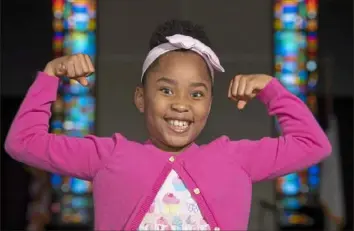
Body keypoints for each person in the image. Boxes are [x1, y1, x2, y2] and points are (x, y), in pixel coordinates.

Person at [5, 19, 331, 231]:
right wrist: (50, 76)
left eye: (197, 93)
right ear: (140, 98)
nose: (181, 103)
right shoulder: (108, 156)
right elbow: (22, 142)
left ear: (210, 103)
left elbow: (313, 145)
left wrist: (273, 91)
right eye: (165, 89)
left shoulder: (236, 159)